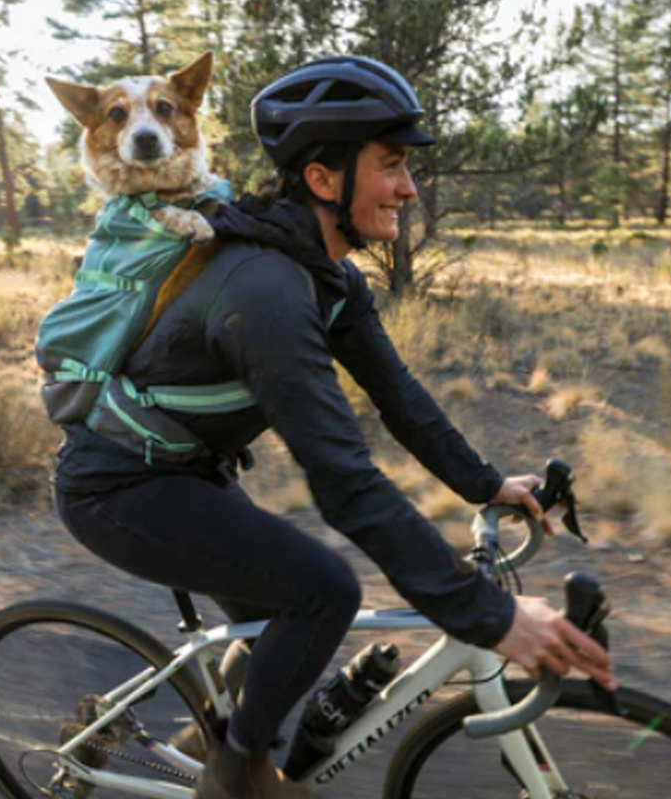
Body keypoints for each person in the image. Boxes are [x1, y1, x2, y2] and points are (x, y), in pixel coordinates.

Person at [52, 55, 616, 799]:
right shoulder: (264, 293)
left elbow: (398, 394)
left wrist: (485, 485)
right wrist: (491, 615)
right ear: (324, 181)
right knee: (322, 591)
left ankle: (209, 743)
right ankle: (239, 775)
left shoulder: (326, 274)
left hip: (188, 471)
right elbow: (344, 480)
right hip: (115, 487)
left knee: (274, 627)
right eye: (391, 166)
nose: (410, 188)